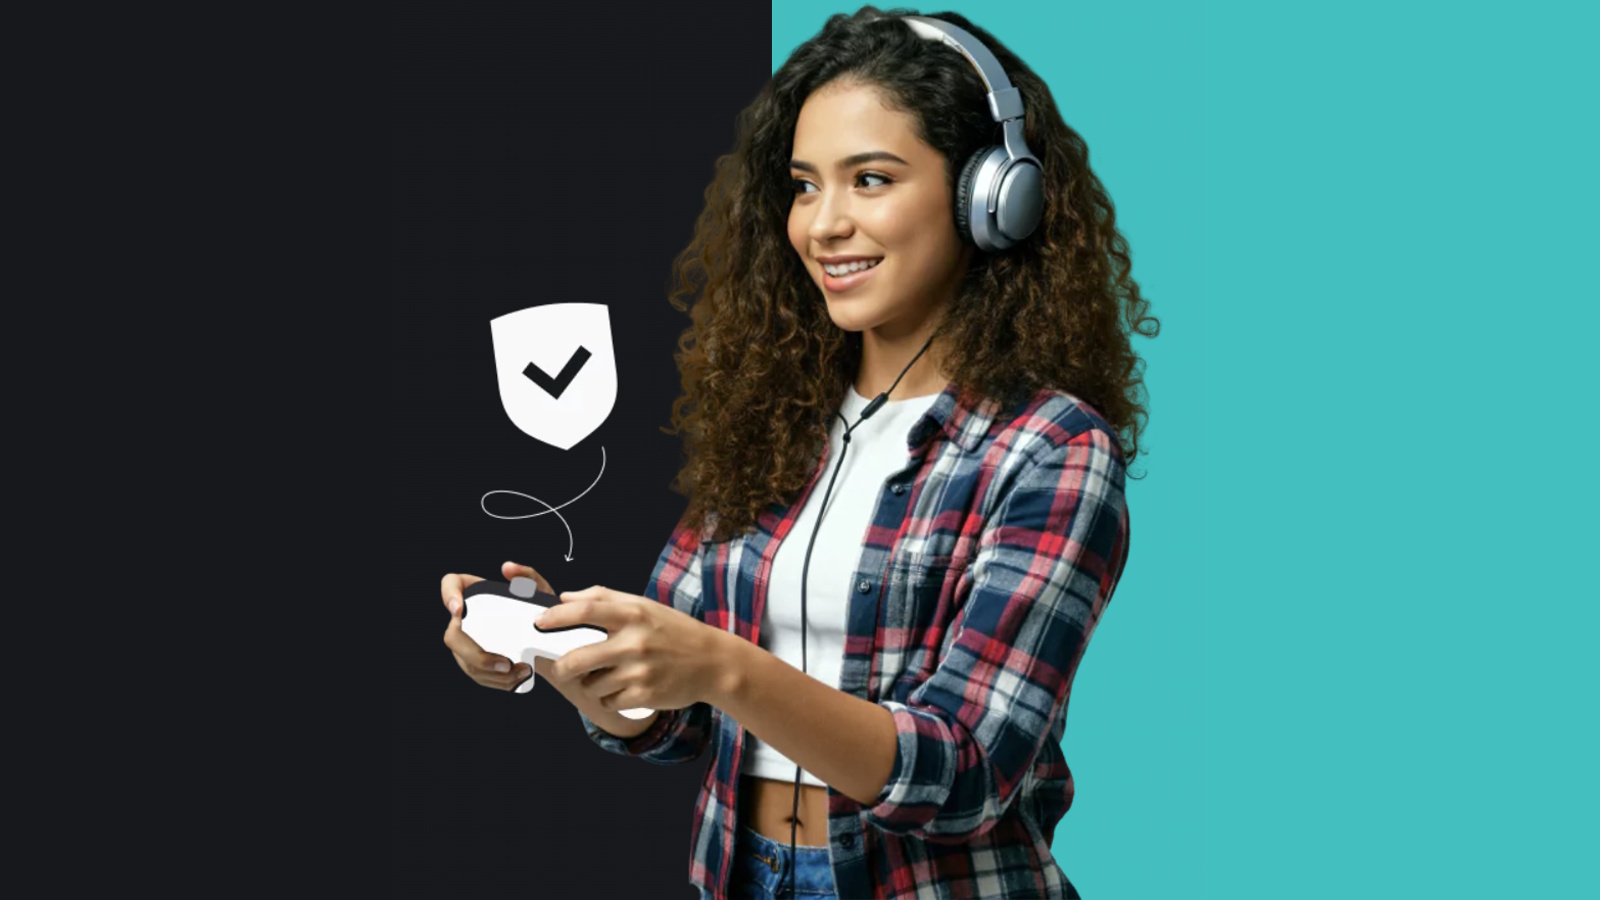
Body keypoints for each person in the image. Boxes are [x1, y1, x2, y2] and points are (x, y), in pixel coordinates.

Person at [440, 7, 1157, 898]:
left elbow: (966, 774)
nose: (823, 225)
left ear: (991, 199)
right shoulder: (777, 419)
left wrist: (722, 665)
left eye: (871, 179)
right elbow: (675, 725)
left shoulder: (1050, 449)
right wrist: (569, 653)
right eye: (805, 186)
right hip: (741, 871)